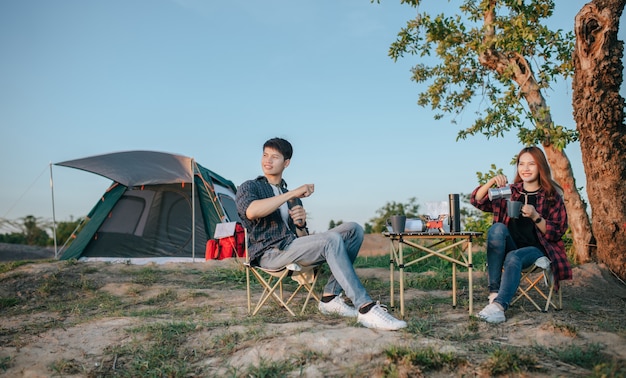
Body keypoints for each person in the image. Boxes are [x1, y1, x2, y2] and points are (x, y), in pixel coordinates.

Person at [236, 137, 407, 331]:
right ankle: (365, 308)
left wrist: (300, 223)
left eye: (275, 156)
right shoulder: (251, 187)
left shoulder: (292, 198)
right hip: (270, 254)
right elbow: (251, 211)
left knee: (354, 229)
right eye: (265, 155)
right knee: (331, 240)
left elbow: (301, 239)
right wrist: (291, 194)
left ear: (286, 163)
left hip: (292, 249)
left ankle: (330, 298)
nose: (268, 160)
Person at [470, 146, 572, 323]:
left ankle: (500, 307)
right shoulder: (511, 191)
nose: (525, 168)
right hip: (511, 246)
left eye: (531, 164)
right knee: (497, 229)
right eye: (521, 164)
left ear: (541, 167)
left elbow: (557, 232)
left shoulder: (551, 196)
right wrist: (491, 182)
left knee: (513, 256)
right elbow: (478, 201)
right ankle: (494, 293)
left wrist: (536, 216)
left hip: (537, 251)